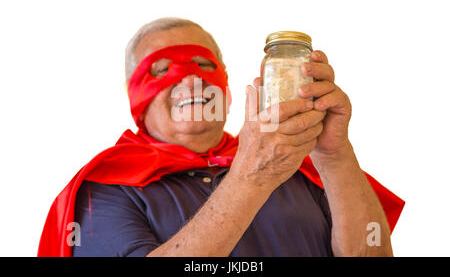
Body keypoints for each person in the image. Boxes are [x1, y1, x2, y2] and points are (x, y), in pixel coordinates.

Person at [38, 17, 404, 257]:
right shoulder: (104, 188)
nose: (190, 80)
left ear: (226, 84)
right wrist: (252, 175)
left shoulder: (301, 168)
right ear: (135, 93)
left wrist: (333, 154)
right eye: (162, 69)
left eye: (203, 65)